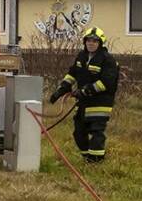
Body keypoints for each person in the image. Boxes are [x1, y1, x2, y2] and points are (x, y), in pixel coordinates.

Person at [50, 25, 119, 164]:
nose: (91, 43)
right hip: (83, 102)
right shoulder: (82, 56)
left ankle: (96, 161)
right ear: (84, 42)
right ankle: (88, 158)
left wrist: (86, 90)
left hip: (100, 102)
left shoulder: (107, 60)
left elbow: (106, 82)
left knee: (96, 132)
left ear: (100, 43)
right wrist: (62, 89)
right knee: (79, 132)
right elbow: (72, 74)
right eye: (88, 40)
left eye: (94, 41)